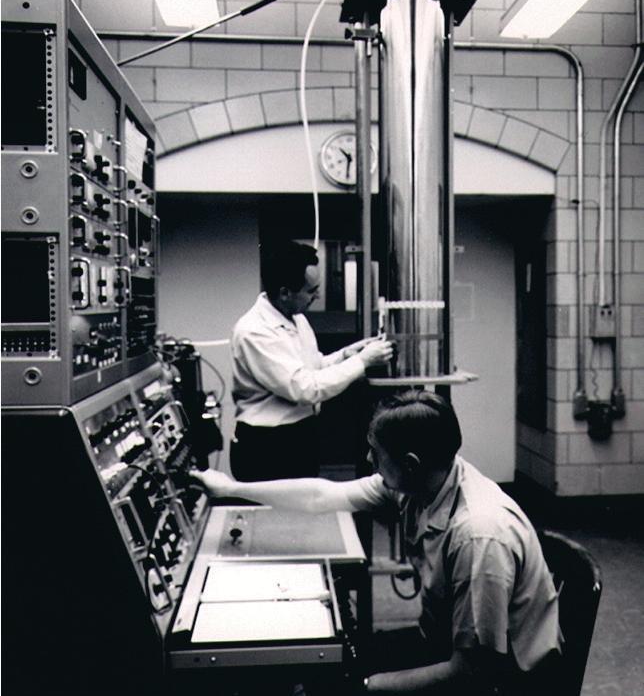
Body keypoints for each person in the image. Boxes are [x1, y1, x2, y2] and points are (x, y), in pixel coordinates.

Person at [191, 390, 562, 695]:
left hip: (504, 683)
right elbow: (322, 496)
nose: (369, 459)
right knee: (328, 660)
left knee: (336, 681)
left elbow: (472, 672)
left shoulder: (478, 536)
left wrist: (366, 687)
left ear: (411, 463)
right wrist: (231, 488)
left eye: (376, 452)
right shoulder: (424, 480)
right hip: (445, 646)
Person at [229, 240, 394, 481]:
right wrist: (362, 362)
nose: (317, 295)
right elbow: (305, 388)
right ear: (285, 293)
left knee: (302, 504)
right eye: (311, 290)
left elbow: (313, 367)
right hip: (267, 445)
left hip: (299, 435)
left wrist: (347, 355)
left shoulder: (296, 318)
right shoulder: (255, 331)